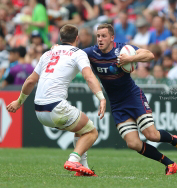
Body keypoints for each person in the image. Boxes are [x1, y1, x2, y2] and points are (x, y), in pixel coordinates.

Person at [81, 23, 177, 175]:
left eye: (104, 36)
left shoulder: (122, 49)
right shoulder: (92, 52)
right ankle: (170, 164)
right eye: (98, 36)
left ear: (112, 38)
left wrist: (129, 58)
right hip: (116, 103)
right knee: (133, 143)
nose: (100, 39)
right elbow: (73, 53)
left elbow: (149, 55)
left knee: (151, 135)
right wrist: (57, 48)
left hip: (133, 97)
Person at [6, 24, 106, 177]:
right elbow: (88, 76)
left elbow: (30, 81)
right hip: (55, 107)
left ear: (60, 38)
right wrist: (101, 97)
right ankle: (73, 159)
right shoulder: (78, 53)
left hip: (39, 110)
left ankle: (83, 168)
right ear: (77, 39)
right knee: (92, 132)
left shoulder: (47, 54)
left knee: (81, 128)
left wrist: (19, 102)